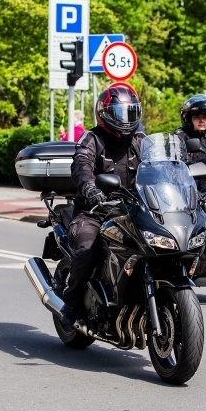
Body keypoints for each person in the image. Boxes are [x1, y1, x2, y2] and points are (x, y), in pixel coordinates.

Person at [61, 83, 145, 325]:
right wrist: (89, 187)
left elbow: (160, 166)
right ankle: (72, 301)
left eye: (130, 113)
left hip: (131, 212)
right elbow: (81, 166)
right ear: (105, 114)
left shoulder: (140, 141)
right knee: (88, 249)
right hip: (94, 212)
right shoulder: (92, 139)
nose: (126, 119)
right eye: (120, 113)